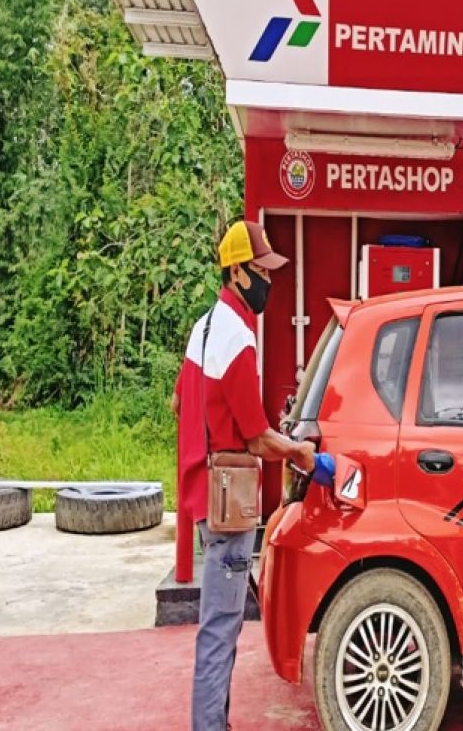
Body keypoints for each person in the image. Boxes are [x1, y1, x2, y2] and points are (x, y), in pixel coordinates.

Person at [172, 220, 316, 731]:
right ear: (236, 272)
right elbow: (257, 438)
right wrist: (302, 453)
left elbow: (177, 400)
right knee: (219, 629)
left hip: (203, 494)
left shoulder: (204, 326)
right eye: (260, 270)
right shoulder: (236, 335)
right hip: (229, 503)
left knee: (220, 624)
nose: (268, 282)